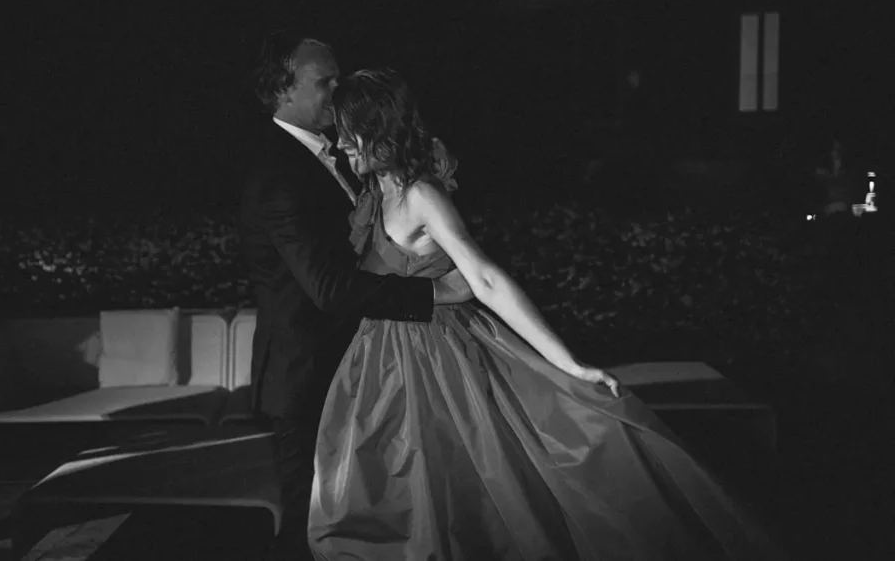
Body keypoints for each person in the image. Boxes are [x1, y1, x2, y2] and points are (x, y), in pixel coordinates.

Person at [308, 68, 786, 560]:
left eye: (349, 131)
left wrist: (570, 364)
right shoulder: (372, 192)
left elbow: (485, 279)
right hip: (376, 365)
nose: (340, 142)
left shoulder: (421, 195)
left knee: (443, 502)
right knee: (374, 501)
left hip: (430, 364)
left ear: (379, 130)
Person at [238, 33, 474, 561]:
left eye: (339, 79)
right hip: (308, 378)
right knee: (310, 528)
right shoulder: (278, 174)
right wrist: (435, 291)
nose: (337, 91)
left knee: (365, 520)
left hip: (358, 369)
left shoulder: (342, 155)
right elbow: (328, 287)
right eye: (324, 82)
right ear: (283, 90)